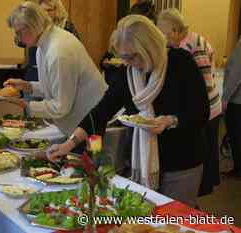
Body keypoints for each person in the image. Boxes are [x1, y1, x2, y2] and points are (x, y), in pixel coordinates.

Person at [48, 15, 210, 207]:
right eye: (123, 57)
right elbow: (101, 111)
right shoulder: (128, 73)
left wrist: (170, 121)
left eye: (132, 56)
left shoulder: (180, 62)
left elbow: (201, 112)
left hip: (182, 161)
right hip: (142, 162)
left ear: (149, 47)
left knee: (176, 221)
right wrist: (68, 144)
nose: (128, 62)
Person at [5, 2, 107, 137]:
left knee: (90, 157)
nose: (18, 38)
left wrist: (27, 106)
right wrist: (27, 86)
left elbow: (60, 106)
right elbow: (56, 87)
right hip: (80, 122)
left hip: (91, 123)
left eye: (19, 32)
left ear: (32, 25)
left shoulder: (58, 50)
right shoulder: (45, 42)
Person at [157, 8, 222, 196]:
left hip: (208, 108)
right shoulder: (189, 41)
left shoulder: (191, 44)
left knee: (203, 156)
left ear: (176, 30)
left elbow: (205, 84)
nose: (163, 39)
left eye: (164, 33)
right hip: (206, 108)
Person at [25, 0, 79, 82]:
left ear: (57, 10)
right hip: (35, 73)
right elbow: (19, 42)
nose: (46, 13)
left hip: (58, 72)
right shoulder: (34, 25)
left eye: (49, 10)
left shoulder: (66, 25)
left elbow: (76, 47)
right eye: (42, 10)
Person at [222, 38, 241, 179]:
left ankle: (238, 170)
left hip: (237, 102)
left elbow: (235, 75)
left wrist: (225, 99)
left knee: (236, 136)